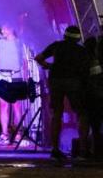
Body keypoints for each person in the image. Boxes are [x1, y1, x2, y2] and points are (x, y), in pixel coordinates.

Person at [36, 25, 91, 162]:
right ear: (78, 38)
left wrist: (49, 66)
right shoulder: (81, 51)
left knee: (57, 114)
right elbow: (85, 69)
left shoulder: (56, 46)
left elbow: (38, 58)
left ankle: (55, 149)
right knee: (81, 113)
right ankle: (83, 150)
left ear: (65, 35)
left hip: (56, 81)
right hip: (74, 82)